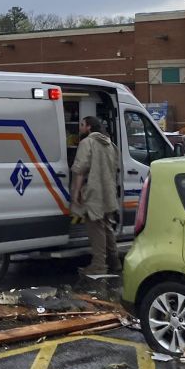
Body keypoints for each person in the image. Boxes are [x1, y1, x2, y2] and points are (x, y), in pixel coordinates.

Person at [70, 116, 122, 276]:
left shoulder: (87, 143)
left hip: (93, 191)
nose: (80, 127)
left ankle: (99, 265)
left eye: (82, 125)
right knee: (106, 226)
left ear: (89, 127)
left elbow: (80, 169)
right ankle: (115, 262)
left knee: (96, 228)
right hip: (108, 191)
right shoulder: (109, 144)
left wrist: (76, 192)